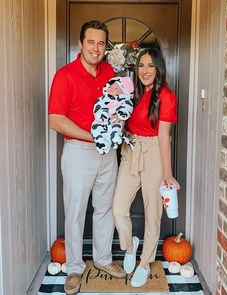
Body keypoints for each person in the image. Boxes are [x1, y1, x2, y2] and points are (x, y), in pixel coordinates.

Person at [48, 20, 126, 295]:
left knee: (104, 208)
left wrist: (118, 121)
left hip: (108, 153)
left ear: (106, 47)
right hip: (79, 152)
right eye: (91, 42)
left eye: (101, 43)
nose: (96, 48)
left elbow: (120, 104)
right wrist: (91, 136)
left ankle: (103, 260)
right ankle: (73, 268)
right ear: (80, 44)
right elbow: (55, 120)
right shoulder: (65, 75)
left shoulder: (109, 72)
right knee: (76, 211)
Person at [113, 48, 180, 288]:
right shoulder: (131, 93)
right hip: (131, 150)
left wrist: (167, 172)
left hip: (153, 152)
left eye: (150, 65)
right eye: (141, 65)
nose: (144, 71)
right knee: (118, 207)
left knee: (153, 213)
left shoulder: (167, 96)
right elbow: (122, 120)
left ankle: (144, 262)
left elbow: (164, 137)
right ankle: (130, 246)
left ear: (158, 68)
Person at [91, 76, 134, 155]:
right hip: (101, 121)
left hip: (115, 120)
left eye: (116, 88)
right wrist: (102, 115)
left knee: (116, 126)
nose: (111, 88)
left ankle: (114, 139)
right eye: (110, 86)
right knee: (96, 130)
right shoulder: (103, 98)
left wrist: (122, 113)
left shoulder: (124, 100)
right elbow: (98, 107)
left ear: (123, 92)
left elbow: (127, 107)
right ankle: (102, 145)